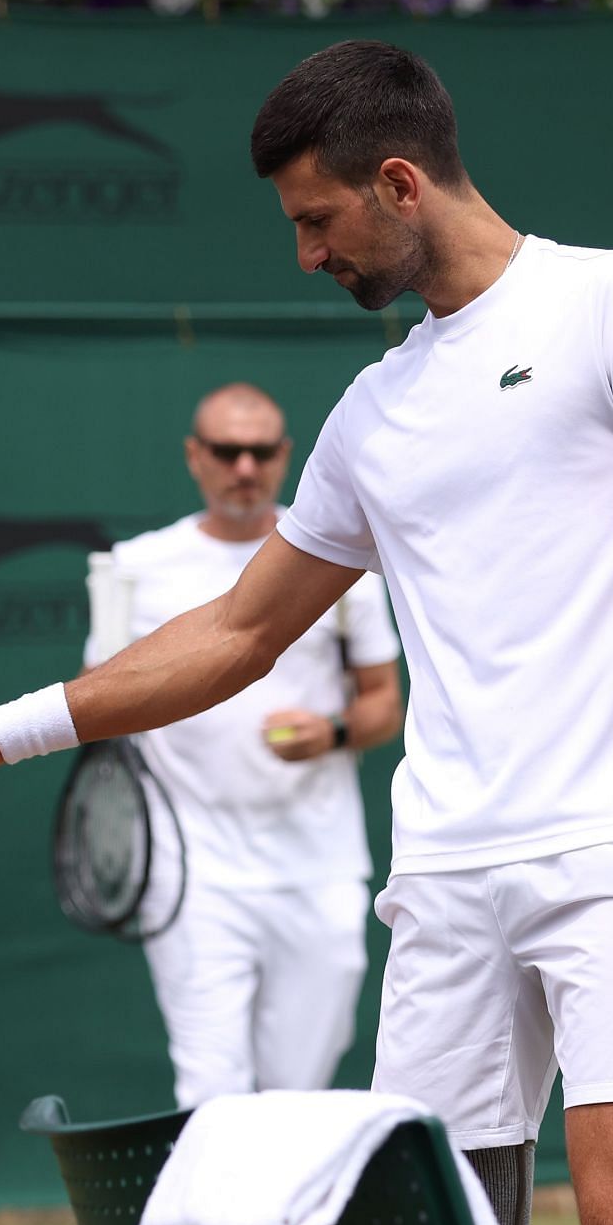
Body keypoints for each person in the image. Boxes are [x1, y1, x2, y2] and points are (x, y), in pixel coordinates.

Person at [0, 41, 613, 1225]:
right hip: (445, 881)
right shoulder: (372, 412)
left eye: (317, 221)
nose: (308, 255)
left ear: (399, 182)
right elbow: (238, 632)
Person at [86, 381, 403, 1109]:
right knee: (210, 1091)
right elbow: (97, 699)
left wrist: (333, 733)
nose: (244, 468)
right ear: (196, 457)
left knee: (297, 1091)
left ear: (286, 456)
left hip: (316, 867)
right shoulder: (137, 566)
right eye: (227, 451)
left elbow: (385, 704)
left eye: (261, 452)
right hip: (190, 871)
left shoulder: (337, 556)